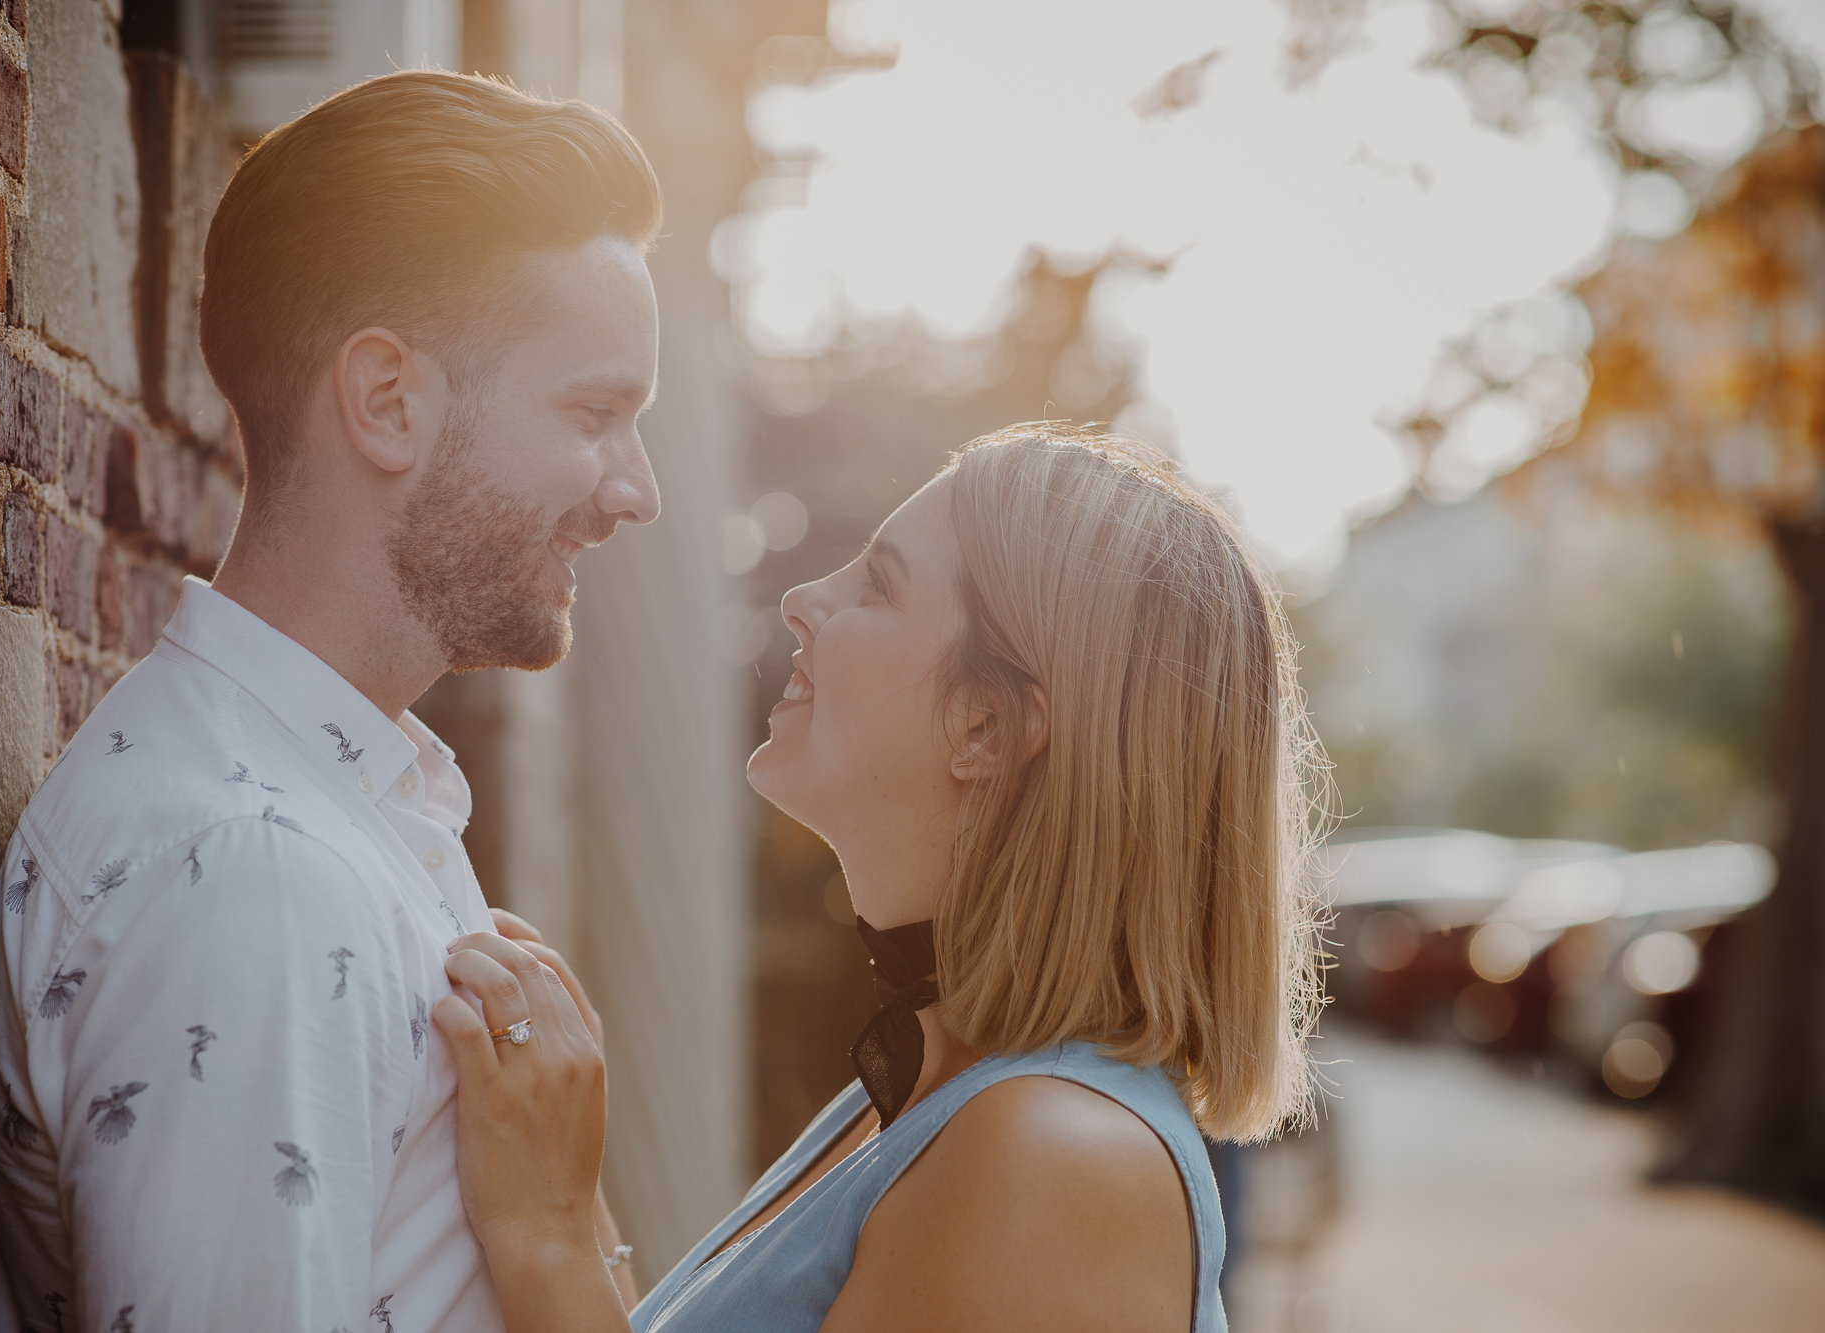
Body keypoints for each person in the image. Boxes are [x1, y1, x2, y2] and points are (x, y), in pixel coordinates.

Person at [0, 72, 662, 1330]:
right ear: (387, 400)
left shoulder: (341, 808)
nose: (637, 490)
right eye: (595, 413)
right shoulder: (246, 874)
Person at [433, 425, 1325, 1333]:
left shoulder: (1052, 1156)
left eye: (877, 584)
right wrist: (576, 1202)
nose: (799, 599)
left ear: (986, 727)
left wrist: (545, 1234)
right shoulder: (933, 1091)